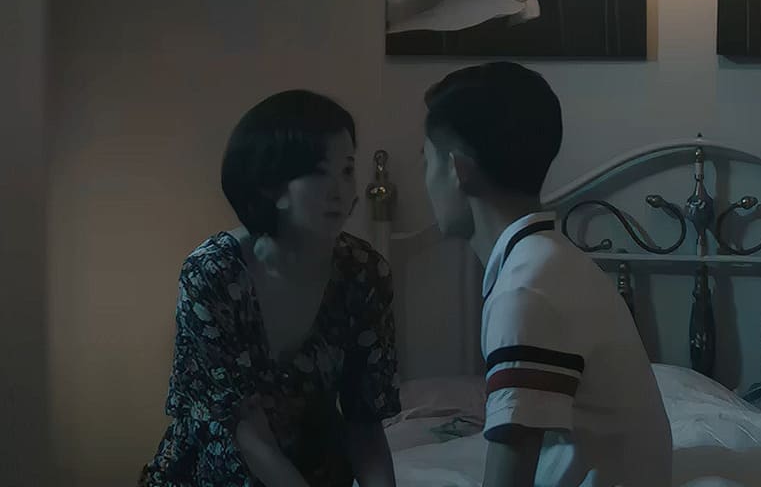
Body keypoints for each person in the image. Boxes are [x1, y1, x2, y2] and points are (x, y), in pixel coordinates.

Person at [421, 62, 673, 487]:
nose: (425, 182)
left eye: (426, 161)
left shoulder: (526, 290)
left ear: (456, 169)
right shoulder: (550, 261)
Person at [139, 89, 400, 487]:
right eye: (318, 172)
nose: (339, 190)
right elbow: (244, 431)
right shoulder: (214, 274)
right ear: (270, 186)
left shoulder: (364, 274)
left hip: (319, 469)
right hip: (216, 474)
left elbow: (365, 421)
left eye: (347, 170)